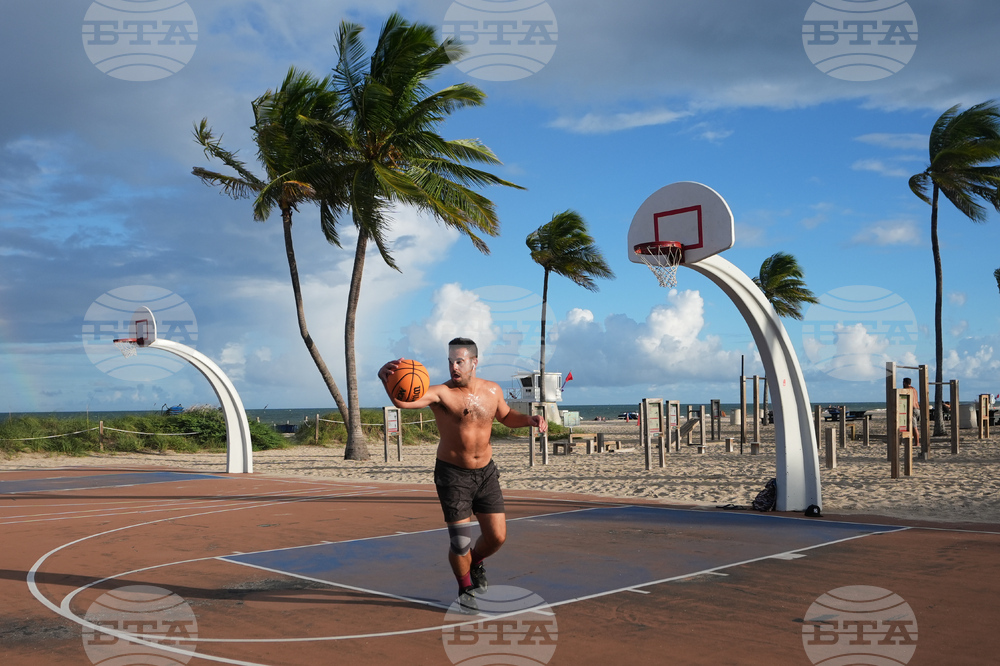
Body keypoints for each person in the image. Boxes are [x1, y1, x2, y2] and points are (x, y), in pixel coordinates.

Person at [378, 337, 547, 613]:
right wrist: (384, 379)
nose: (453, 367)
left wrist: (529, 420)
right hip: (453, 475)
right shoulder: (441, 393)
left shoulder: (492, 390)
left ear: (473, 362)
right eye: (450, 362)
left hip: (486, 474)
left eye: (459, 361)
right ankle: (465, 587)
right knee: (460, 542)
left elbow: (505, 416)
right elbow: (403, 402)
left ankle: (476, 562)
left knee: (497, 537)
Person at [901, 377, 920, 450]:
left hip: (912, 409)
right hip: (917, 408)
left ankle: (917, 442)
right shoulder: (914, 389)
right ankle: (914, 441)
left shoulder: (907, 390)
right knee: (912, 426)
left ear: (905, 383)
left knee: (914, 427)